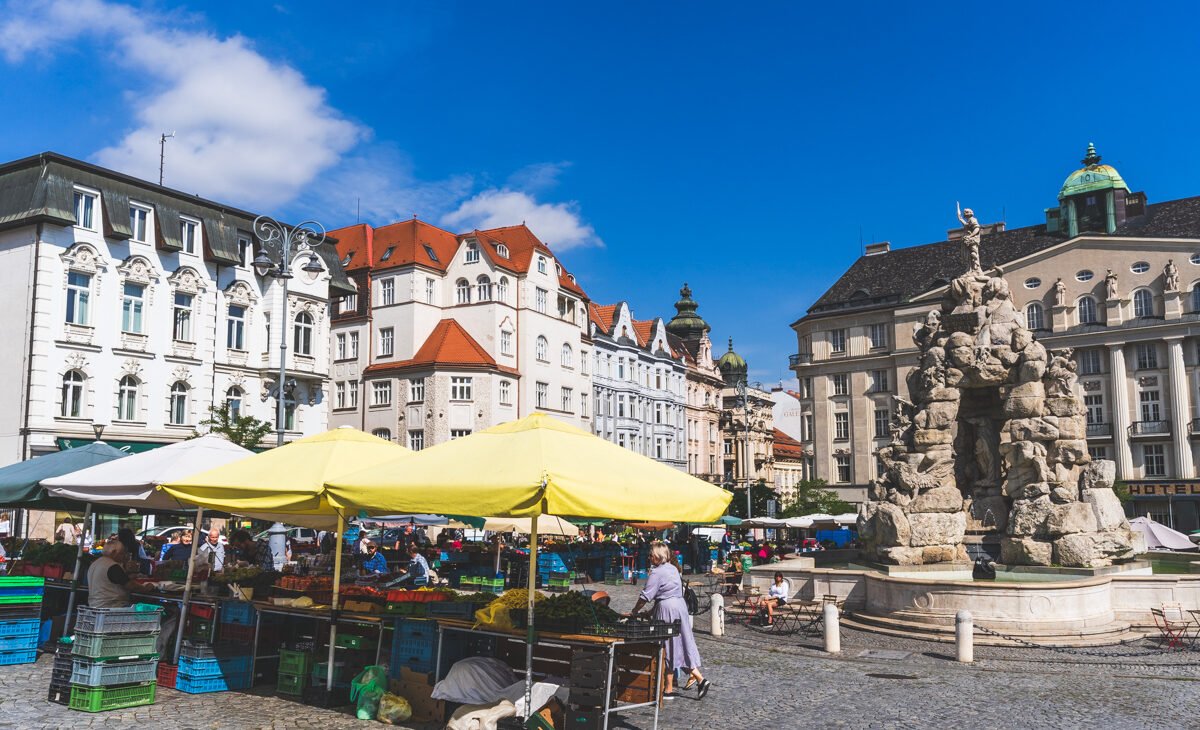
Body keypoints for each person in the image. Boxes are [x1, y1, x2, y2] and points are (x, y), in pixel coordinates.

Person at [628, 541, 710, 699]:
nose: (649, 557)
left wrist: (634, 611)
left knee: (667, 645)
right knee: (678, 644)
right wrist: (650, 612)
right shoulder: (673, 569)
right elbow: (667, 593)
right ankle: (670, 688)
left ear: (658, 556)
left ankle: (696, 680)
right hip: (679, 607)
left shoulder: (656, 572)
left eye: (651, 555)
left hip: (668, 610)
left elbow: (647, 595)